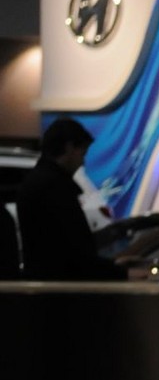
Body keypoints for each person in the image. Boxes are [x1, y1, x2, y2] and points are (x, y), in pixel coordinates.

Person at [5, 118, 117, 281]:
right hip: (62, 291)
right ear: (69, 147)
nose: (82, 162)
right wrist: (117, 271)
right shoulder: (54, 187)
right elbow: (73, 253)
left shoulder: (38, 182)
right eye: (82, 153)